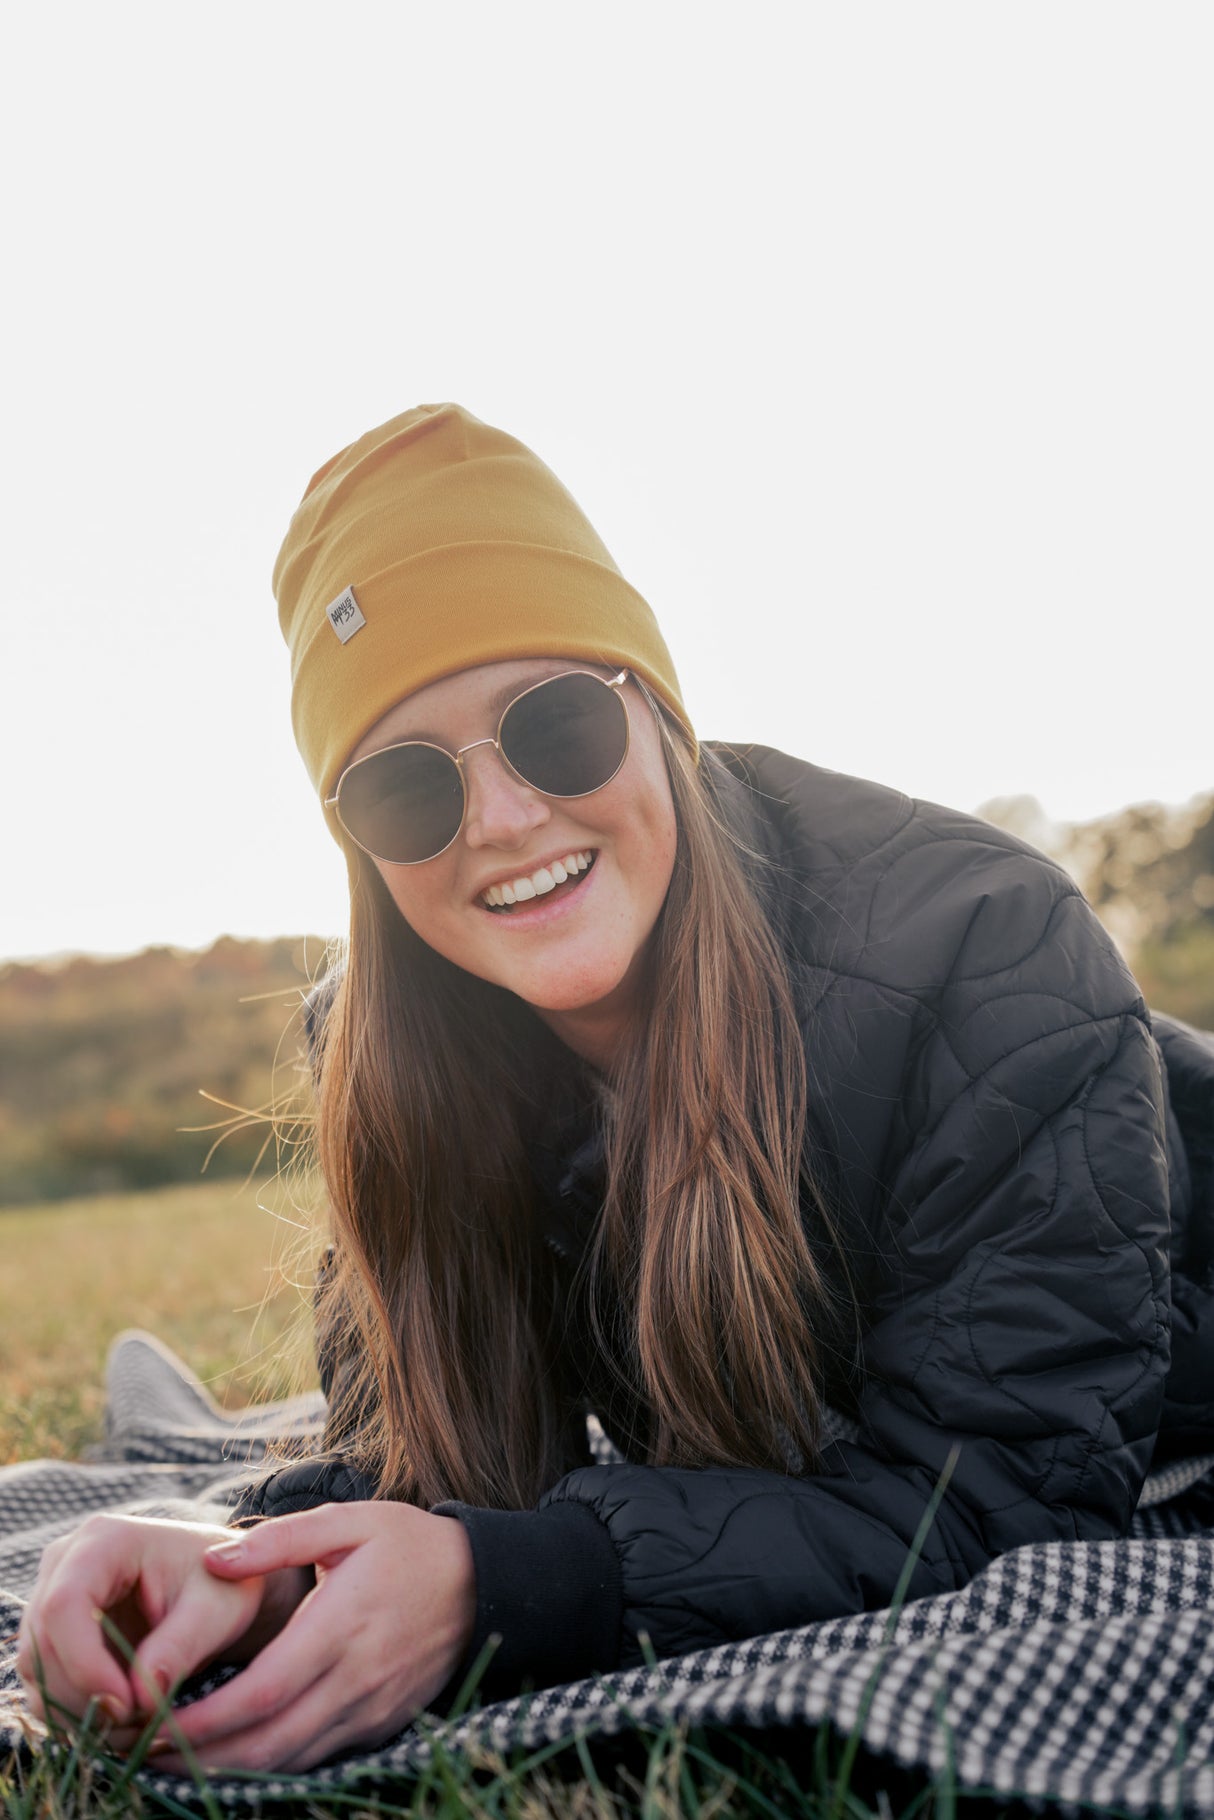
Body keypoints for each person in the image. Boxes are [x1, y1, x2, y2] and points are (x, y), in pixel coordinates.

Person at [17, 404, 1214, 1776]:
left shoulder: (981, 943)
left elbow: (1005, 1499)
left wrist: (518, 1590)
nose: (505, 818)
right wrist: (248, 1568)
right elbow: (422, 1474)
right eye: (406, 791)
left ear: (656, 715)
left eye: (556, 725)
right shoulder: (391, 1046)